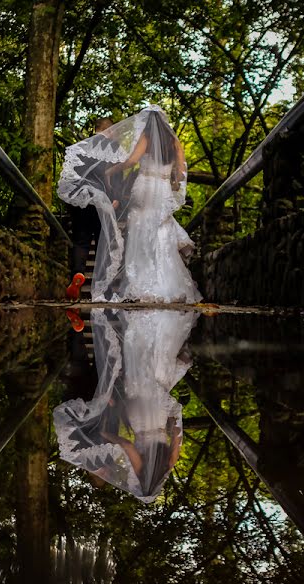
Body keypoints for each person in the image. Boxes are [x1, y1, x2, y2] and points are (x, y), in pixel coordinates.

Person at [57, 105, 202, 303]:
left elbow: (131, 161)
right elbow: (182, 168)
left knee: (136, 225)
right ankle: (157, 284)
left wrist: (111, 171)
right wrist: (174, 182)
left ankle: (85, 274)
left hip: (132, 190)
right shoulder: (173, 142)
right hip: (160, 189)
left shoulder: (91, 144)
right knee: (158, 228)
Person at [53, 308, 197, 503]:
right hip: (138, 420)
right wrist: (107, 436)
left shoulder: (168, 465)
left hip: (158, 417)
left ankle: (143, 320)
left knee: (149, 372)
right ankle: (114, 318)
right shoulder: (140, 471)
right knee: (130, 369)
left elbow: (177, 436)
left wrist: (170, 422)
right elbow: (126, 445)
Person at [66, 117, 115, 277]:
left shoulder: (80, 146)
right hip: (100, 198)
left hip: (79, 198)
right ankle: (103, 282)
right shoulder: (110, 148)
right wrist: (115, 197)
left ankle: (77, 273)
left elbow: (69, 174)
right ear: (109, 130)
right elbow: (112, 176)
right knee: (104, 241)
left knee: (81, 240)